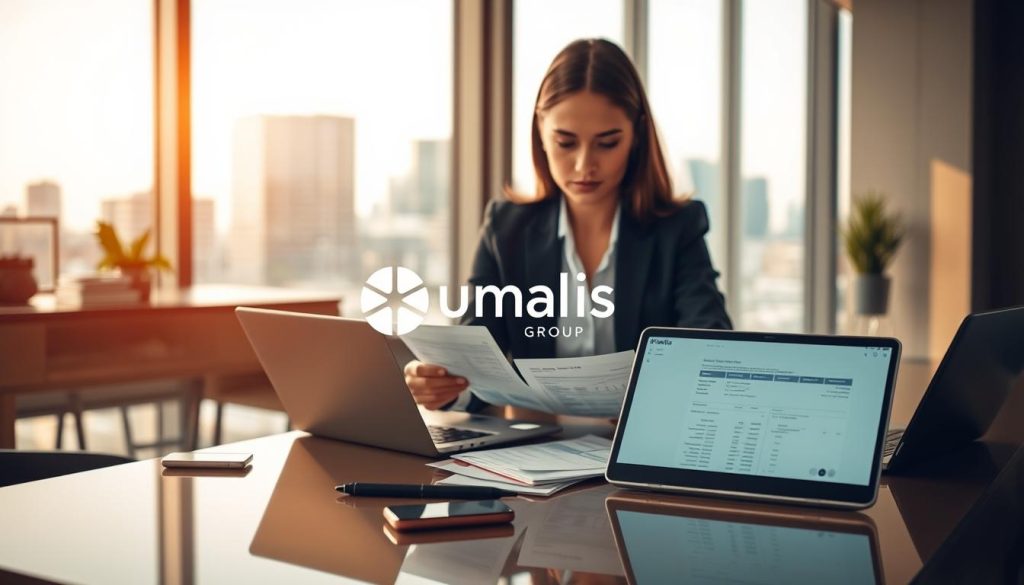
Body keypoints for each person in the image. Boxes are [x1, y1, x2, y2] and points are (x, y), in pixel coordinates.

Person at [405, 38, 732, 411]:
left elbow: (710, 343)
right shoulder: (506, 228)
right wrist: (441, 384)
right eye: (565, 142)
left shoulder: (678, 229)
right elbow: (476, 351)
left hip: (634, 450)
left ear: (636, 135)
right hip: (532, 450)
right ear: (541, 131)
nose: (583, 166)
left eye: (607, 143)